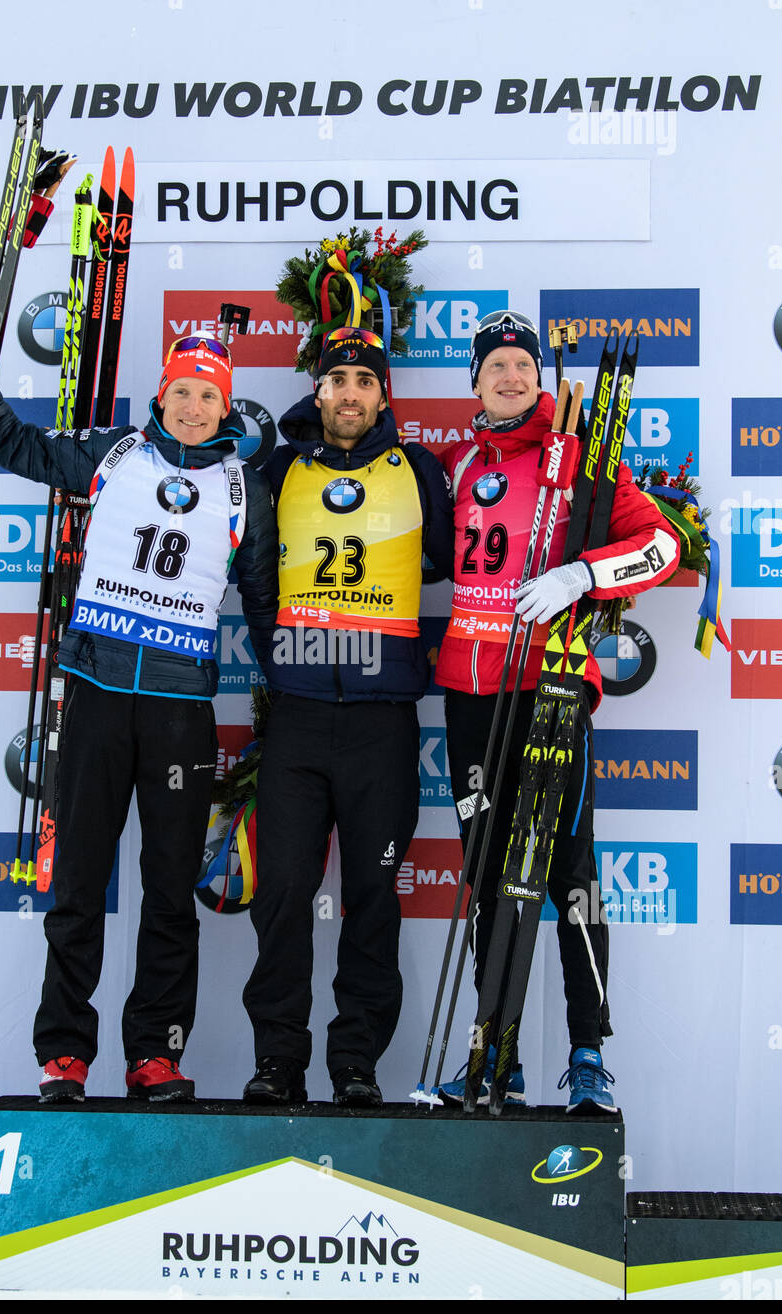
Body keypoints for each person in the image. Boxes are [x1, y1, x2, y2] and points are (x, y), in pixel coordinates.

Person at [0, 315, 278, 1102]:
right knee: (80, 882)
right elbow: (19, 447)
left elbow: (262, 605)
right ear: (161, 393)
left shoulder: (243, 487)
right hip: (94, 695)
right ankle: (64, 1053)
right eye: (182, 390)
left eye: (208, 394)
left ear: (224, 405)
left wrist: (284, 698)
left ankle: (155, 1053)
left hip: (178, 709)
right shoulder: (116, 452)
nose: (193, 406)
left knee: (167, 890)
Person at [436, 310, 680, 1112]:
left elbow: (661, 546)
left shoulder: (580, 458)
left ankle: (586, 1055)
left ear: (539, 376)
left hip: (550, 691)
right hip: (472, 698)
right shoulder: (458, 464)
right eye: (495, 365)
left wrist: (583, 575)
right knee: (484, 881)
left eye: (522, 364)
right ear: (473, 380)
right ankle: (493, 1053)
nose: (510, 376)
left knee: (567, 877)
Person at [242, 326, 453, 1107]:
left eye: (367, 379)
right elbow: (254, 577)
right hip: (297, 719)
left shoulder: (419, 469)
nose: (353, 393)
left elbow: (464, 562)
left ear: (383, 393)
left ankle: (355, 1063)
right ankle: (276, 1063)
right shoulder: (280, 468)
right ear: (318, 390)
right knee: (283, 894)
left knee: (373, 894)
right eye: (340, 380)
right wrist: (278, 662)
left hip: (382, 723)